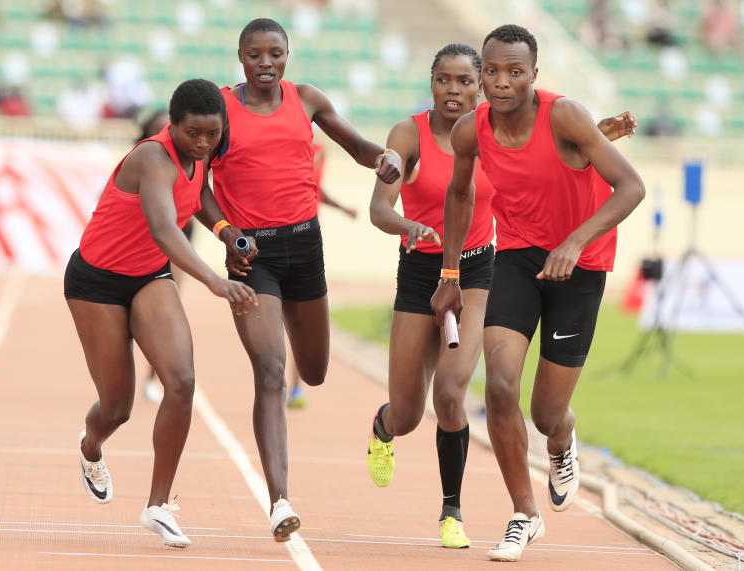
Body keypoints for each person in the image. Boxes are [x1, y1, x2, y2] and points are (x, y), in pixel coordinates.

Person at [366, 42, 638, 550]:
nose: (497, 82)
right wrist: (439, 262)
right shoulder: (450, 131)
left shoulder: (556, 115)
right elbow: (455, 193)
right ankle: (523, 512)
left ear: (532, 73)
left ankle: (541, 454)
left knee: (524, 409)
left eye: (510, 72)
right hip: (477, 263)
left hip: (544, 265)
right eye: (490, 72)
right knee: (466, 397)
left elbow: (599, 175)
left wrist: (576, 238)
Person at [207, 17, 401, 542]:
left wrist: (384, 159)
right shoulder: (221, 109)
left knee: (312, 372)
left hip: (305, 247)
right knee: (271, 370)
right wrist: (225, 230)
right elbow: (196, 181)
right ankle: (279, 500)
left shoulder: (307, 100)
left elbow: (360, 146)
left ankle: (367, 410)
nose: (265, 63)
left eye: (275, 53)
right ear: (240, 57)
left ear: (287, 55)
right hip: (253, 256)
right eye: (254, 54)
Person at [65, 78, 257, 549]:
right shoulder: (151, 158)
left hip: (148, 277)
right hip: (97, 281)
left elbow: (201, 193)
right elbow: (164, 228)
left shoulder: (203, 151)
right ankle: (90, 446)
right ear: (172, 125)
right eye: (194, 133)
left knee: (181, 380)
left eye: (212, 134)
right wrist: (216, 280)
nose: (204, 143)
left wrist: (225, 229)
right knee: (118, 407)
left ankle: (157, 505)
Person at [286, 139, 358, 409]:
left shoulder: (318, 150)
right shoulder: (284, 147)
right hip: (274, 236)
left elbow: (314, 189)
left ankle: (294, 387)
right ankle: (276, 383)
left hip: (306, 239)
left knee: (299, 317)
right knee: (278, 317)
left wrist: (343, 208)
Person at [134, 109, 198, 404]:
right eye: (157, 130)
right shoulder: (136, 161)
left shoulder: (189, 164)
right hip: (138, 241)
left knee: (166, 315)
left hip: (178, 239)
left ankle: (152, 377)